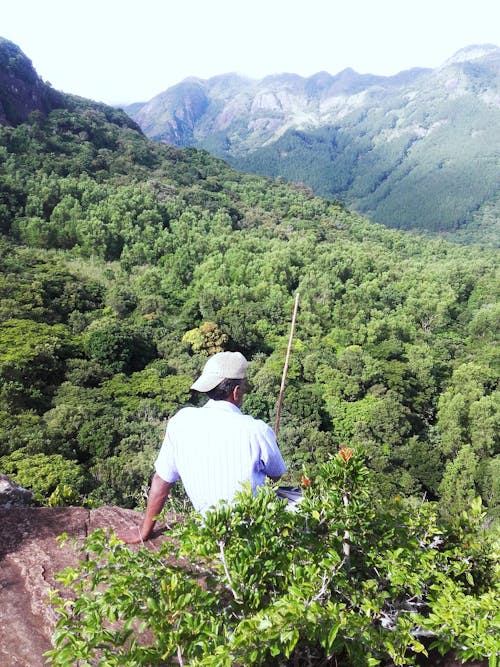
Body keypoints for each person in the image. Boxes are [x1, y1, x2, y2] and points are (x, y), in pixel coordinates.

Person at [119, 351, 287, 544]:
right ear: (236, 392)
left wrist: (144, 531)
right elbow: (275, 477)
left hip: (208, 528)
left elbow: (161, 481)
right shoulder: (257, 430)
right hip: (251, 533)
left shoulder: (180, 421)